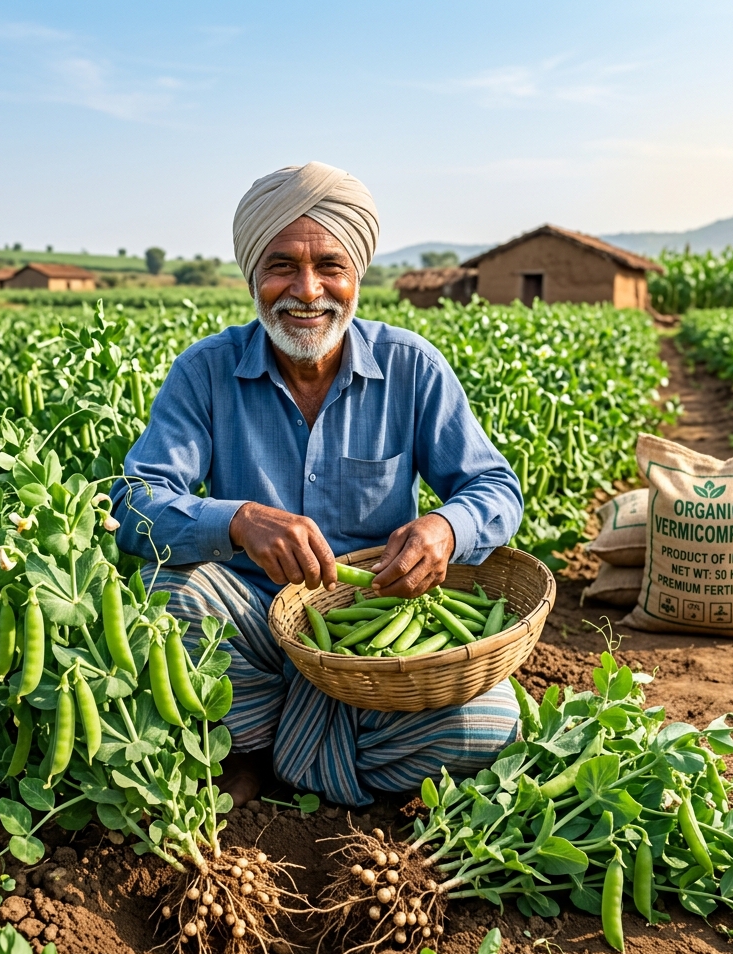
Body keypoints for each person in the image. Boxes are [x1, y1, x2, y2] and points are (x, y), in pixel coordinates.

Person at [110, 161, 523, 808]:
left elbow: (494, 488)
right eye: (281, 266)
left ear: (357, 276)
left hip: (377, 649)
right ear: (253, 276)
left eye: (330, 266)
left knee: (489, 720)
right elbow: (134, 503)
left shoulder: (412, 368)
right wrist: (238, 520)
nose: (307, 291)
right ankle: (289, 752)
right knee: (166, 596)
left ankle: (262, 755)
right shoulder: (206, 373)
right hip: (254, 636)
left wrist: (446, 528)